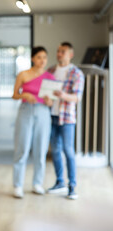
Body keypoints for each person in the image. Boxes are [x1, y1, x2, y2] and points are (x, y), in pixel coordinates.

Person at [12, 46, 55, 198]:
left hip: (43, 112)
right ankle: (17, 185)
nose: (42, 60)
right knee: (22, 149)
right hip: (26, 111)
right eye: (39, 57)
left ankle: (37, 183)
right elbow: (14, 95)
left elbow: (51, 101)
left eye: (44, 57)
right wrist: (25, 95)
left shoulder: (50, 77)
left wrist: (49, 101)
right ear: (32, 58)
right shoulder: (23, 74)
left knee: (41, 150)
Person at [47, 42, 84, 200]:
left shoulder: (76, 73)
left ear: (70, 54)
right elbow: (45, 93)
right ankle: (60, 182)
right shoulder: (51, 71)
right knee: (55, 151)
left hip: (67, 118)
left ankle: (72, 186)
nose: (59, 53)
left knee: (68, 151)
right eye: (58, 51)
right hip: (52, 115)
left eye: (63, 51)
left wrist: (62, 95)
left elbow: (77, 98)